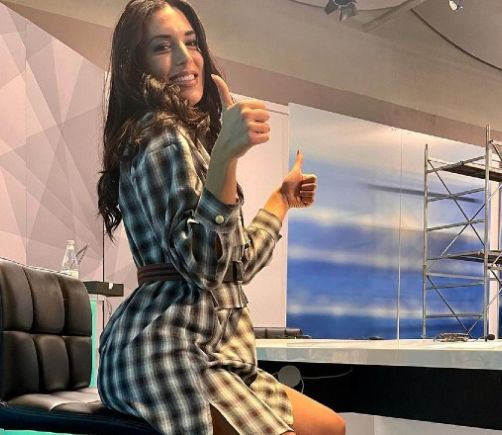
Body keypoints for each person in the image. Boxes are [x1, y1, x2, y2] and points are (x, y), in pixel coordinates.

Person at [96, 1, 346, 434]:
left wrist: (280, 201)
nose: (184, 58)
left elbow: (235, 263)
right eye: (162, 47)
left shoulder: (188, 141)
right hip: (167, 350)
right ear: (137, 66)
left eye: (191, 42)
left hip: (216, 353)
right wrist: (227, 156)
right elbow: (204, 266)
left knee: (329, 427)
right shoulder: (161, 133)